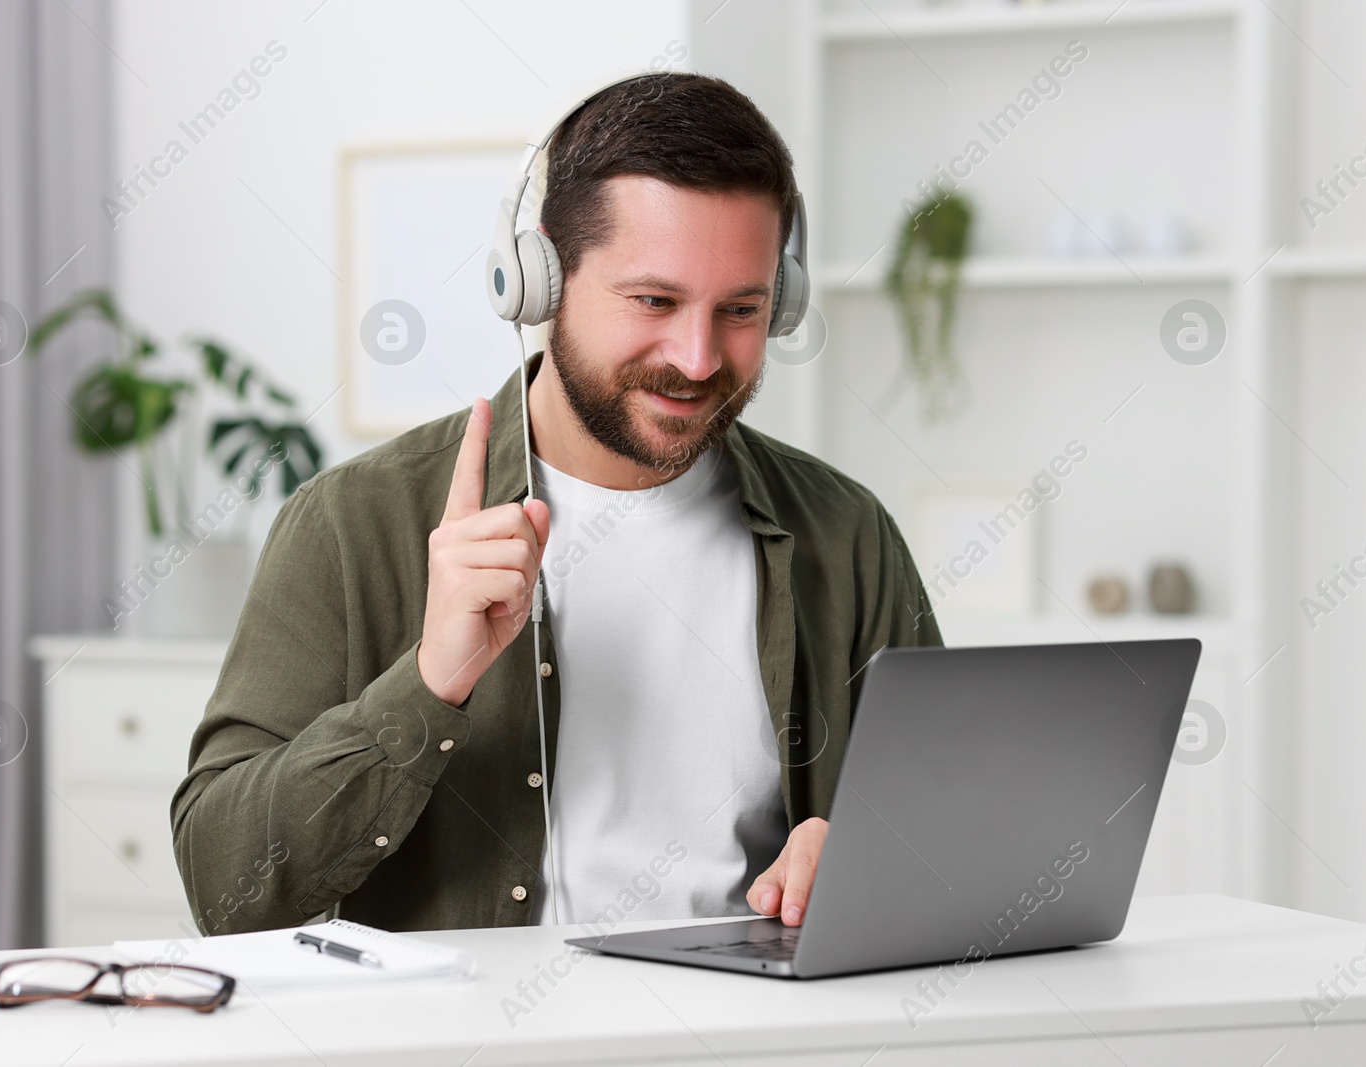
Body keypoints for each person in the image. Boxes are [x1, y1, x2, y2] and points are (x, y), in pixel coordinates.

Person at [172, 72, 942, 937]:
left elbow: (952, 833)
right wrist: (430, 682)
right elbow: (222, 880)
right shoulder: (353, 523)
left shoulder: (847, 534)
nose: (696, 357)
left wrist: (872, 855)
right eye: (653, 300)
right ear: (537, 282)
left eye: (741, 309)